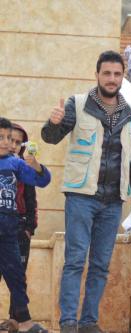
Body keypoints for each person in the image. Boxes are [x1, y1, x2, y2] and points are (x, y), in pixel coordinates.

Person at [41, 51, 131, 333]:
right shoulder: (77, 103)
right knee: (75, 261)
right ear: (97, 74)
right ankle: (68, 323)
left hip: (113, 201)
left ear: (123, 76)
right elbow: (51, 138)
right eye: (106, 73)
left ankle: (89, 322)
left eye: (117, 74)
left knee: (100, 265)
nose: (112, 79)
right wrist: (53, 122)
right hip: (80, 196)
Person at [0, 117, 51, 333]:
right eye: (0, 137)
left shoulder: (15, 163)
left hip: (9, 230)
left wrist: (35, 165)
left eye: (9, 138)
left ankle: (25, 322)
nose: (6, 142)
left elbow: (43, 180)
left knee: (16, 276)